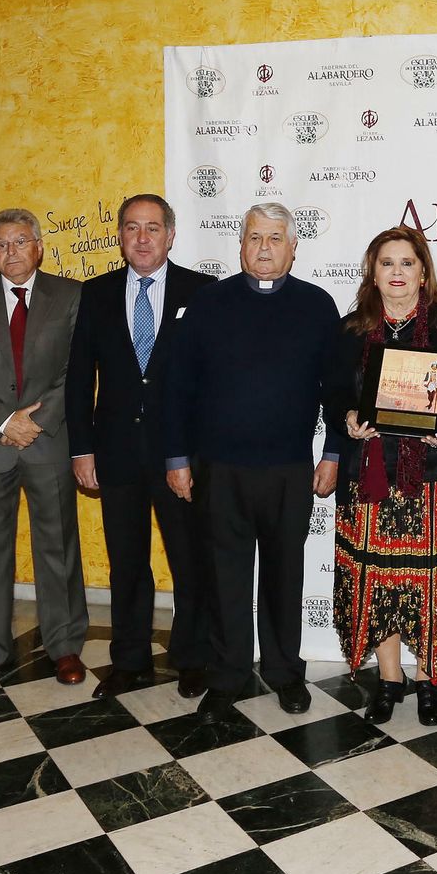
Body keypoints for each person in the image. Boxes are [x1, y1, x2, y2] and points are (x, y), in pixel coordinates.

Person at [165, 202, 341, 718]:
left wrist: (332, 453)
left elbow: (337, 390)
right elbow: (179, 388)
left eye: (275, 239)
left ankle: (286, 672)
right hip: (219, 469)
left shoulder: (317, 306)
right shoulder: (208, 304)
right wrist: (177, 458)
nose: (264, 248)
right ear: (240, 244)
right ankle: (228, 673)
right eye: (254, 238)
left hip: (289, 468)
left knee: (286, 576)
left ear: (293, 246)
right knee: (225, 577)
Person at [328, 226, 437, 726]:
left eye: (407, 263)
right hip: (371, 476)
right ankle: (389, 678)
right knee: (378, 581)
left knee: (431, 582)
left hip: (435, 474)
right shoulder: (352, 328)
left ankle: (428, 679)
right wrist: (349, 419)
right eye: (387, 263)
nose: (397, 273)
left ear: (423, 271)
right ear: (373, 274)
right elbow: (335, 395)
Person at [67, 194, 216, 700]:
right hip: (117, 453)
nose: (143, 238)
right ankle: (128, 661)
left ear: (171, 235)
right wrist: (81, 450)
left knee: (189, 558)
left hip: (182, 456)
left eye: (153, 228)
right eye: (132, 228)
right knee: (126, 560)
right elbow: (78, 379)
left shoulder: (203, 292)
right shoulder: (96, 294)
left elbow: (213, 381)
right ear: (121, 236)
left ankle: (193, 657)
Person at [0, 209, 87, 692]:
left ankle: (65, 646)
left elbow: (78, 370)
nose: (12, 252)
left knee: (59, 548)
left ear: (39, 246)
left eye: (21, 241)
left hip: (48, 443)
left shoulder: (70, 297)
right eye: (2, 244)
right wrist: (6, 422)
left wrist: (35, 422)